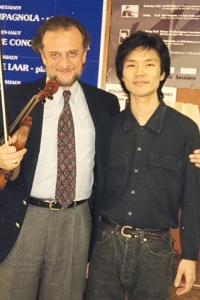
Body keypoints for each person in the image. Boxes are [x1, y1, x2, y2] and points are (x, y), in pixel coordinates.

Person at [0, 16, 119, 300]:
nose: (64, 63)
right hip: (23, 217)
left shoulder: (105, 104)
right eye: (54, 54)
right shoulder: (14, 98)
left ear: (85, 53)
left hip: (76, 221)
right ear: (41, 55)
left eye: (72, 53)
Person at [86, 31, 200, 300]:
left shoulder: (185, 130)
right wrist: (87, 251)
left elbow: (194, 200)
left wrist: (190, 255)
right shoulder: (106, 128)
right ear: (121, 75)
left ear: (162, 74)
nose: (140, 72)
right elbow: (93, 193)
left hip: (156, 250)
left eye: (149, 64)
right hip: (105, 244)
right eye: (131, 64)